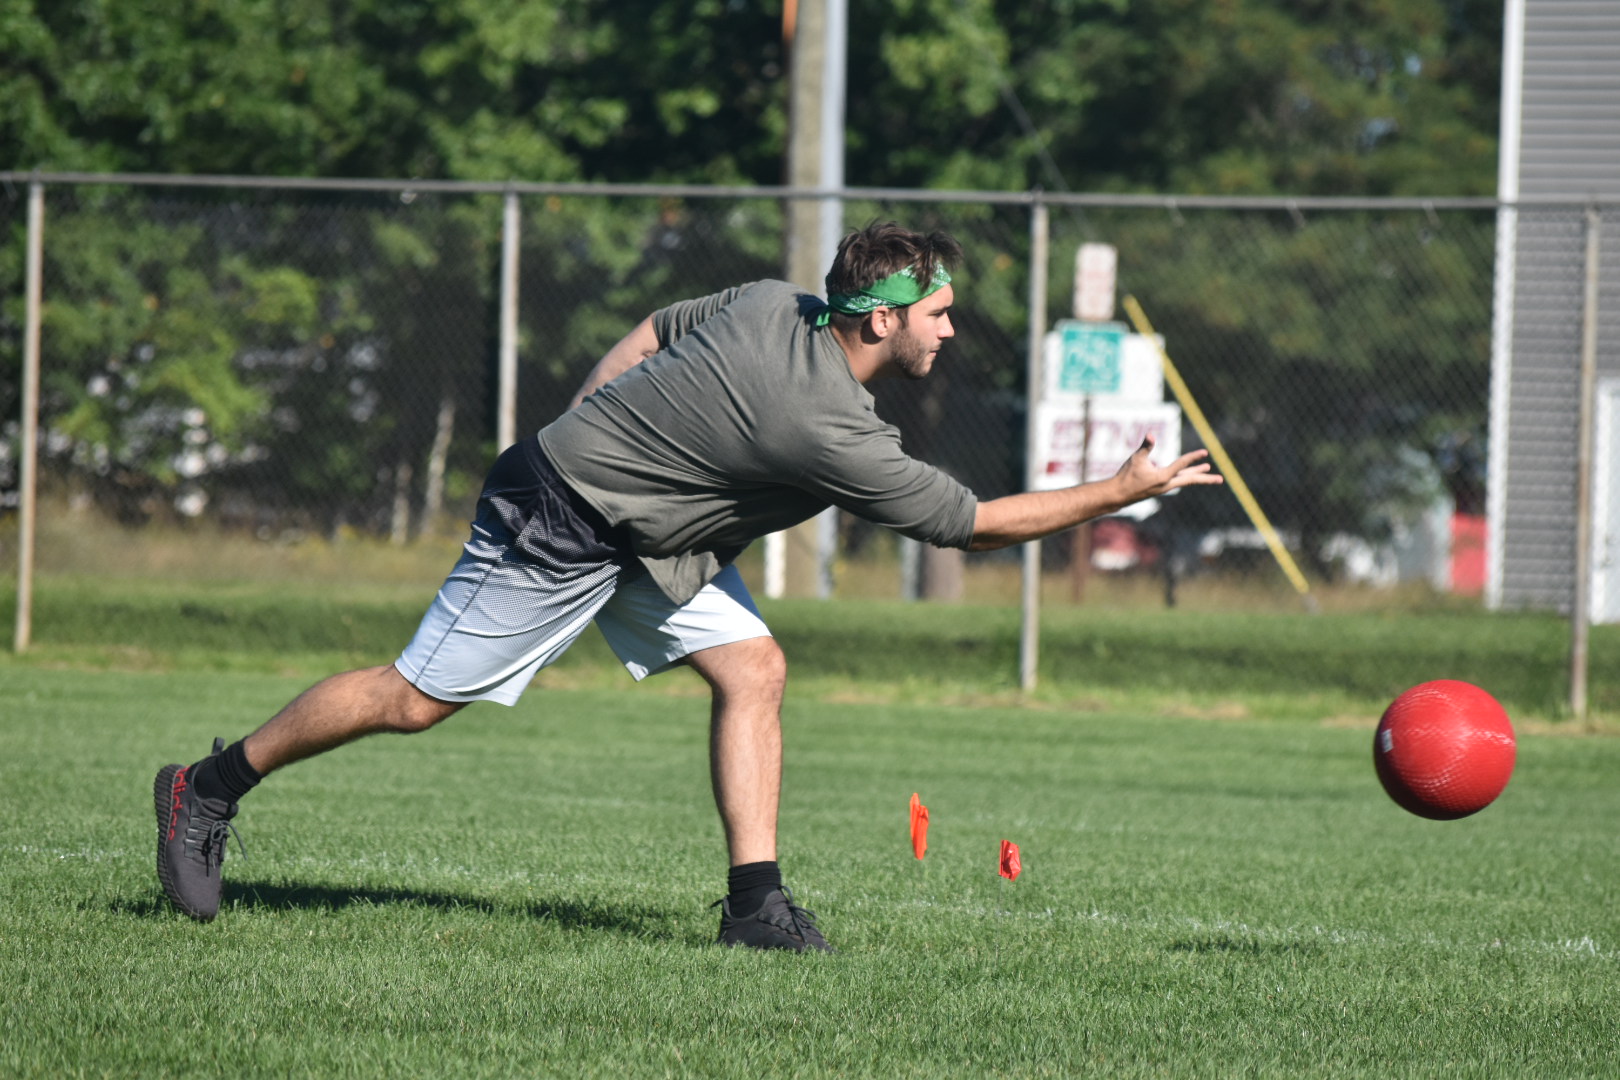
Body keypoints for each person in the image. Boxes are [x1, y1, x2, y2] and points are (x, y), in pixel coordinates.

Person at [153, 221, 1222, 951]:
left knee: (753, 666)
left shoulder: (770, 302)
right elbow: (970, 528)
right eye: (937, 313)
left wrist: (588, 417)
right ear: (881, 317)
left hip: (639, 532)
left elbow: (658, 327)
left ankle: (754, 905)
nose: (949, 328)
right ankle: (206, 787)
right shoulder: (827, 426)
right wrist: (1118, 490)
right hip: (560, 520)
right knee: (415, 701)